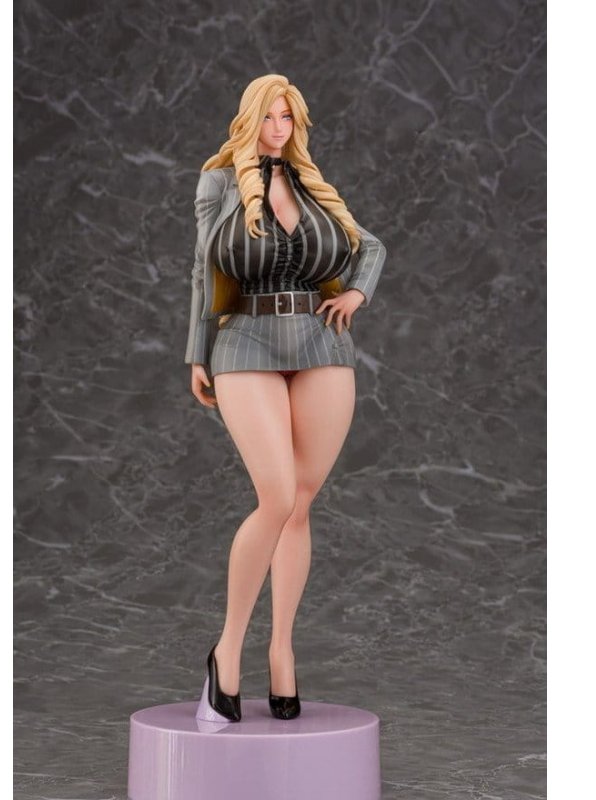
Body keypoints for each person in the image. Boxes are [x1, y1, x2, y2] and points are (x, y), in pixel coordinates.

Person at [185, 74, 387, 723]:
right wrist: (196, 351)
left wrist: (356, 293)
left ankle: (282, 651)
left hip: (320, 343)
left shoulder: (309, 183)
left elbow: (369, 245)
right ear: (251, 120)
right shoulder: (218, 182)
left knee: (299, 504)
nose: (279, 128)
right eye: (270, 117)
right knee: (274, 497)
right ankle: (227, 650)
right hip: (246, 339)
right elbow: (203, 269)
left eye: (288, 118)